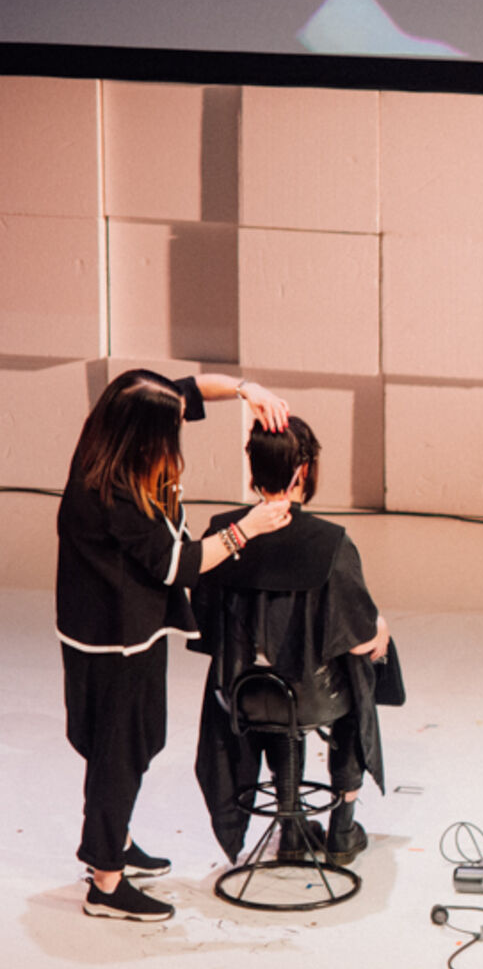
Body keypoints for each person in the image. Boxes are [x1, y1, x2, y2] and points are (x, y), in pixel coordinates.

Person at [58, 370, 293, 921]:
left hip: (114, 627)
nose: (177, 435)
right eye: (169, 431)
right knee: (122, 751)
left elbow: (188, 390)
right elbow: (179, 565)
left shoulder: (108, 442)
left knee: (125, 744)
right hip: (115, 639)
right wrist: (248, 529)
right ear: (143, 436)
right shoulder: (114, 494)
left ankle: (113, 840)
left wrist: (246, 390)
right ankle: (106, 883)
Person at [190, 418, 391, 867]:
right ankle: (343, 828)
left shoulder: (222, 534)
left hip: (239, 696)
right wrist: (380, 629)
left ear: (253, 468)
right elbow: (357, 637)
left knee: (279, 684)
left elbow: (203, 626)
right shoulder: (330, 541)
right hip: (312, 699)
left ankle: (291, 827)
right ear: (303, 471)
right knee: (358, 672)